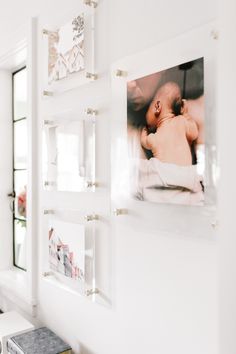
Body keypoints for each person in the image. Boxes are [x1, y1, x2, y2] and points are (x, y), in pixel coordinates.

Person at [141, 81, 198, 166]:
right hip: (186, 174)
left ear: (157, 106)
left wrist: (144, 130)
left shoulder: (154, 138)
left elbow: (144, 142)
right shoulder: (181, 121)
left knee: (140, 166)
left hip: (165, 175)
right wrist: (186, 115)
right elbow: (195, 134)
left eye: (150, 105)